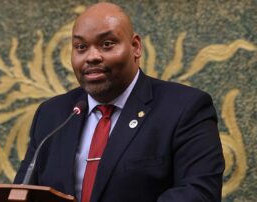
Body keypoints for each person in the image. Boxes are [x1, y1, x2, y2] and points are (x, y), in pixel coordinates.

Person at [14, 2, 225, 202]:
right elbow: (23, 192)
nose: (92, 56)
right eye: (81, 46)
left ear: (135, 47)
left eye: (107, 44)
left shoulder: (186, 108)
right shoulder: (53, 114)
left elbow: (198, 193)